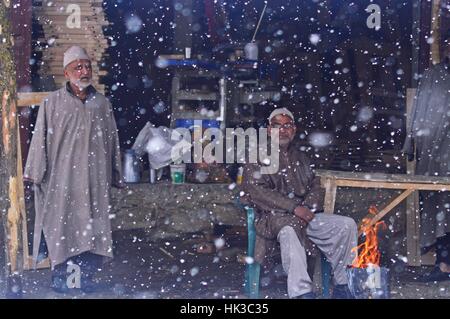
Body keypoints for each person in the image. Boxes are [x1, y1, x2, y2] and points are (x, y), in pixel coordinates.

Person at [24, 46, 124, 293]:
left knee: (91, 232)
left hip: (94, 179)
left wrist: (115, 173)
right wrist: (36, 171)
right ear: (66, 73)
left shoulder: (102, 104)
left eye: (87, 66)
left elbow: (112, 141)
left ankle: (84, 279)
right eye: (78, 67)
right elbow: (40, 141)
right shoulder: (53, 103)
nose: (84, 71)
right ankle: (63, 280)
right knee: (64, 230)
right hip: (63, 180)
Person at [241, 107, 358, 299]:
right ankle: (302, 292)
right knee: (289, 231)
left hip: (304, 216)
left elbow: (315, 186)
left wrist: (307, 208)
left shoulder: (302, 158)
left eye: (287, 126)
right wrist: (294, 208)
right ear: (269, 130)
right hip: (272, 218)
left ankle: (343, 285)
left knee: (346, 225)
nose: (283, 130)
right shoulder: (256, 156)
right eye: (277, 125)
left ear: (294, 130)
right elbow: (257, 191)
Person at [402, 31, 450, 282]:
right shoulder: (434, 75)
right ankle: (443, 265)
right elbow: (420, 110)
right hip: (436, 154)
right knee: (438, 211)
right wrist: (411, 141)